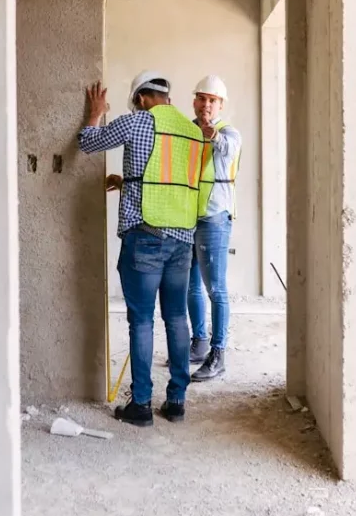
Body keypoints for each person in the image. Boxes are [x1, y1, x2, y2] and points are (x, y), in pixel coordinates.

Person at [78, 71, 204, 427]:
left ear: (142, 99)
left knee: (142, 320)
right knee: (177, 318)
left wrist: (95, 113)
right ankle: (176, 402)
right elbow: (169, 181)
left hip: (145, 236)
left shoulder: (136, 122)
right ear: (167, 98)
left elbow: (88, 142)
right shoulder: (192, 132)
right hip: (182, 238)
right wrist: (127, 182)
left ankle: (142, 405)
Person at [187, 75, 242, 382]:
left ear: (220, 105)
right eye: (202, 98)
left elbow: (227, 151)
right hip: (188, 217)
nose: (206, 105)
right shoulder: (189, 131)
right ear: (194, 101)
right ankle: (199, 343)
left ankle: (218, 354)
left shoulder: (229, 133)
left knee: (216, 289)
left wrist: (212, 135)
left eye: (212, 100)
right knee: (191, 286)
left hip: (214, 218)